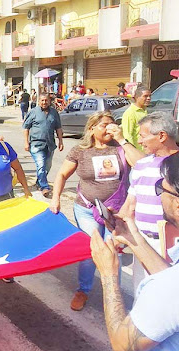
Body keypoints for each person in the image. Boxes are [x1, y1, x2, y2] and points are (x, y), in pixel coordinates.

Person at [49, 111, 144, 311]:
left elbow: (142, 166)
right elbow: (62, 174)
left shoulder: (120, 147)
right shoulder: (80, 150)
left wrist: (122, 138)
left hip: (115, 213)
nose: (109, 128)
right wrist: (56, 198)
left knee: (114, 253)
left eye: (112, 124)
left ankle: (113, 295)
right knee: (90, 252)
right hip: (86, 209)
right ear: (91, 129)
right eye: (104, 125)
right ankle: (83, 290)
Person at [90, 152, 179, 351]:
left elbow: (123, 344)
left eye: (160, 188)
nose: (159, 195)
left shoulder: (170, 288)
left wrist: (108, 274)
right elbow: (169, 280)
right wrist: (133, 239)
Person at [118, 111, 179, 290]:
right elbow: (130, 204)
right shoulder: (141, 165)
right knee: (143, 292)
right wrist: (119, 230)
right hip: (144, 242)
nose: (140, 141)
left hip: (172, 245)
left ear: (161, 136)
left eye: (143, 136)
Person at [23, 94, 64, 197]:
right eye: (42, 100)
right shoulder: (33, 112)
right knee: (41, 165)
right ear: (38, 101)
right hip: (36, 143)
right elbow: (26, 128)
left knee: (47, 166)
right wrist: (26, 142)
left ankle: (39, 182)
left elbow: (58, 128)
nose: (44, 102)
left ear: (49, 101)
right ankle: (44, 187)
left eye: (46, 100)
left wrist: (60, 141)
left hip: (50, 144)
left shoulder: (54, 113)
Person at [121, 86, 151, 151]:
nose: (148, 98)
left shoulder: (145, 111)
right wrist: (133, 152)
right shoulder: (130, 113)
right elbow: (128, 136)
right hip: (137, 152)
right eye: (145, 96)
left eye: (149, 96)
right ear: (137, 97)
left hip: (146, 151)